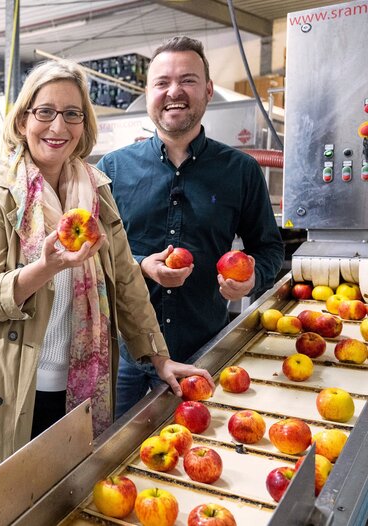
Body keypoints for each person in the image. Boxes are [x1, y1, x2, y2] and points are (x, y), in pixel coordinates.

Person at [0, 59, 213, 513]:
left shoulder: (96, 190)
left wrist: (159, 356)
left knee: (58, 502)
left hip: (74, 378)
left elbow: (126, 281)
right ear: (23, 121)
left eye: (72, 114)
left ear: (84, 123)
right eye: (45, 112)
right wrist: (46, 266)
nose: (59, 125)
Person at [97, 36, 284, 419]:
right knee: (113, 462)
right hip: (126, 359)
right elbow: (94, 254)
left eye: (188, 80)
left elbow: (269, 249)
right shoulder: (112, 170)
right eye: (162, 82)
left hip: (206, 352)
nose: (174, 92)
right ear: (148, 93)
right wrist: (140, 265)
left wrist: (252, 280)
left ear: (209, 90)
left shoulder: (241, 171)